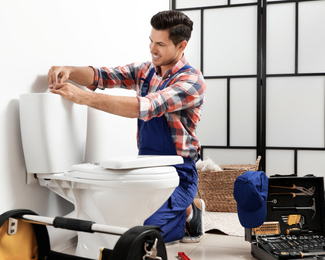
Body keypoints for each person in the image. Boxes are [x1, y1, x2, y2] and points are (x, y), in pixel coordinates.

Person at [47, 10, 206, 243]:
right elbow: (103, 76)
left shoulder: (192, 82)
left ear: (181, 46)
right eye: (151, 41)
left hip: (178, 172)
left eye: (160, 44)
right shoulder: (145, 70)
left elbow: (146, 106)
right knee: (121, 221)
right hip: (146, 166)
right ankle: (181, 209)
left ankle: (191, 210)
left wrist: (84, 98)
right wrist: (70, 71)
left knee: (143, 234)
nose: (152, 49)